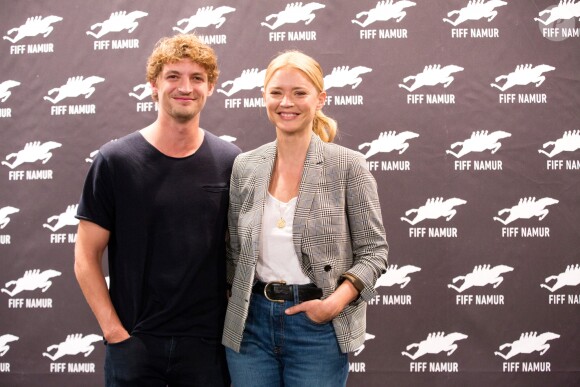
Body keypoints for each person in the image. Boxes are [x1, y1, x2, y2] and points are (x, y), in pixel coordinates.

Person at [74, 34, 240, 386]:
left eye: (197, 78)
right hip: (135, 343)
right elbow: (86, 255)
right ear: (153, 85)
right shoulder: (115, 160)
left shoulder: (230, 161)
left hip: (207, 349)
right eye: (173, 76)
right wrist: (114, 332)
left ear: (210, 87)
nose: (186, 87)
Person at [222, 50, 388, 387]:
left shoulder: (348, 166)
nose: (287, 102)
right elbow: (234, 251)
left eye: (300, 92)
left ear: (320, 99)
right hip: (250, 326)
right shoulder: (246, 165)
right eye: (276, 92)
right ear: (264, 97)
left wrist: (332, 305)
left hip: (318, 329)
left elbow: (374, 252)